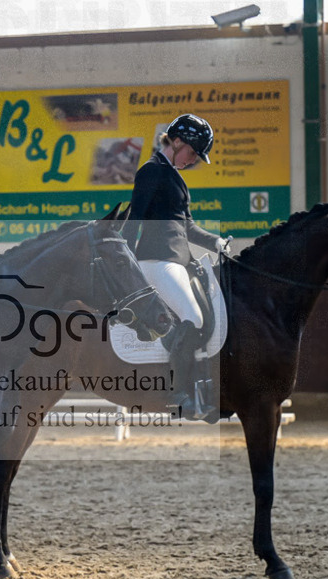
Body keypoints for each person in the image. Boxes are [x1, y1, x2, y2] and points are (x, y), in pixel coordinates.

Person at [123, 114, 231, 422]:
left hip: (178, 262)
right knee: (193, 317)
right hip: (156, 261)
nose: (194, 160)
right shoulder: (152, 172)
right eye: (193, 153)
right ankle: (177, 392)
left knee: (205, 311)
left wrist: (217, 243)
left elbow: (189, 228)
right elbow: (136, 219)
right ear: (178, 142)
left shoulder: (175, 177)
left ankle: (200, 389)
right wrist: (126, 263)